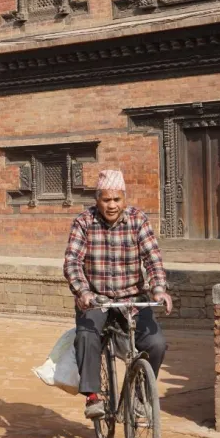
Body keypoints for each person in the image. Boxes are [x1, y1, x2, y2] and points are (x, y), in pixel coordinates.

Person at [63, 169, 172, 419]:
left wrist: (159, 290)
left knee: (156, 344)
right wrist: (82, 291)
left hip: (133, 299)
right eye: (106, 200)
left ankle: (141, 395)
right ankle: (92, 396)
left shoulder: (138, 220)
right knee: (87, 336)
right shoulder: (84, 221)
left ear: (124, 198)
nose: (112, 205)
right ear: (97, 200)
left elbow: (153, 259)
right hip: (97, 300)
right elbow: (72, 262)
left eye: (117, 199)